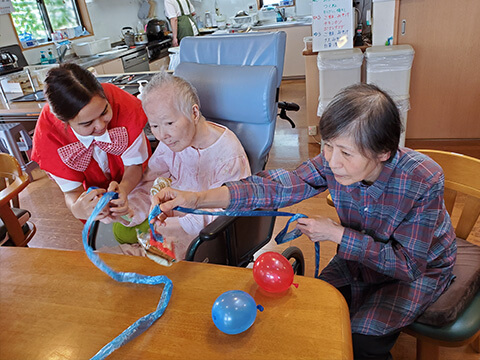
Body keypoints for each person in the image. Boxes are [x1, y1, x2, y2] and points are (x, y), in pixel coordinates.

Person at [152, 83, 456, 360]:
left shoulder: (422, 179)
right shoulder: (332, 162)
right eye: (327, 146)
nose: (332, 161)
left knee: (361, 340)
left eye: (346, 152)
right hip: (359, 260)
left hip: (418, 271)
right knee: (311, 312)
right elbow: (276, 187)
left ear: (383, 152)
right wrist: (197, 199)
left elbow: (408, 265)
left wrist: (337, 235)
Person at [112, 71, 250, 260]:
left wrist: (179, 226)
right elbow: (148, 183)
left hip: (205, 240)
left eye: (169, 123)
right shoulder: (172, 142)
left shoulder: (228, 154)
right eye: (154, 126)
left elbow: (226, 208)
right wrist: (129, 209)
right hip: (168, 229)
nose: (161, 135)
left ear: (194, 113)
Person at [31, 63, 150, 224]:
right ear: (65, 122)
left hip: (138, 185)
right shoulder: (49, 135)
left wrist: (125, 188)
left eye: (104, 112)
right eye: (87, 124)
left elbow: (134, 164)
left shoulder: (122, 104)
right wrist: (77, 208)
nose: (101, 126)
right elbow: (72, 192)